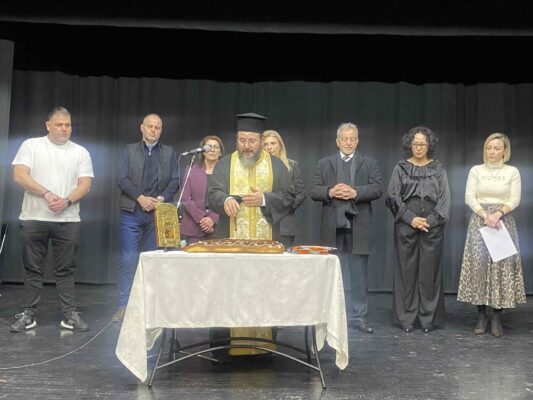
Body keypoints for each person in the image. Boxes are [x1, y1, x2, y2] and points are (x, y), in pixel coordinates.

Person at [207, 112, 294, 358]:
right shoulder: (224, 164)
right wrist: (224, 200)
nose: (246, 146)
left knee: (265, 291)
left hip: (267, 243)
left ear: (260, 140)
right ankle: (223, 349)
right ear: (237, 139)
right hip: (230, 242)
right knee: (227, 293)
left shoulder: (276, 166)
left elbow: (289, 196)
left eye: (252, 141)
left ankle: (262, 347)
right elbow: (212, 194)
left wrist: (265, 199)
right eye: (242, 140)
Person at [10, 107, 94, 332]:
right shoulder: (31, 145)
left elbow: (85, 184)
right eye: (59, 125)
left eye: (68, 125)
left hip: (68, 220)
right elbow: (19, 175)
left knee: (66, 270)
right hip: (33, 217)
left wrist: (67, 201)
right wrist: (46, 193)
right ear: (48, 125)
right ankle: (28, 314)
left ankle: (69, 315)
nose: (64, 129)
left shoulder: (80, 152)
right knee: (32, 269)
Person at [310, 122, 382, 334]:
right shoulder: (324, 163)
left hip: (359, 227)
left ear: (357, 141)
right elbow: (313, 190)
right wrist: (330, 191)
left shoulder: (369, 163)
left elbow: (377, 188)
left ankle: (358, 317)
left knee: (359, 276)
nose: (348, 143)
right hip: (332, 227)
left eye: (352, 139)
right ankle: (331, 317)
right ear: (337, 141)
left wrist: (355, 192)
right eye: (344, 139)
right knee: (331, 275)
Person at [457, 133, 526, 338]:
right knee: (479, 267)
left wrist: (497, 214)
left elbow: (515, 199)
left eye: (496, 148)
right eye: (489, 148)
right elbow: (469, 197)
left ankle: (496, 316)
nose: (492, 152)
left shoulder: (512, 172)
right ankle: (481, 316)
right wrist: (485, 215)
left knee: (500, 268)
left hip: (502, 222)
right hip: (480, 221)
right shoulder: (476, 170)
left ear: (505, 151)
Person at [114, 113, 180, 322]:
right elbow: (121, 178)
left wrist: (161, 199)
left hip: (156, 214)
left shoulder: (169, 152)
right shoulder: (129, 150)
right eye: (150, 126)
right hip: (132, 212)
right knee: (128, 259)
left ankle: (150, 307)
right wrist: (140, 198)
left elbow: (175, 180)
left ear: (161, 130)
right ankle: (124, 306)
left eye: (157, 127)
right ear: (141, 127)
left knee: (153, 260)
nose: (153, 130)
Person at [386, 126, 450, 333]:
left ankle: (427, 319)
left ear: (429, 145)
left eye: (423, 144)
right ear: (410, 145)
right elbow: (392, 196)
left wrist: (429, 221)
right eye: (415, 144)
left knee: (429, 273)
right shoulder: (401, 168)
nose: (419, 147)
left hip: (432, 225)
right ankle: (406, 318)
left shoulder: (438, 169)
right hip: (406, 224)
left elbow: (444, 201)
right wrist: (411, 219)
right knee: (406, 272)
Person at [262, 130, 306, 248]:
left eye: (273, 143)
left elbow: (301, 193)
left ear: (280, 145)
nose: (269, 147)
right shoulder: (256, 168)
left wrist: (285, 208)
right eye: (265, 144)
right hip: (262, 223)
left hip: (285, 225)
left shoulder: (292, 166)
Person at [180, 135, 224, 243]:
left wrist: (212, 219)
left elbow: (229, 198)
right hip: (194, 228)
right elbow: (185, 198)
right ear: (203, 151)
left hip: (219, 229)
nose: (212, 150)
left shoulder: (226, 172)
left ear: (220, 152)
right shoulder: (191, 170)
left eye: (216, 147)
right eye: (208, 147)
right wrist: (201, 219)